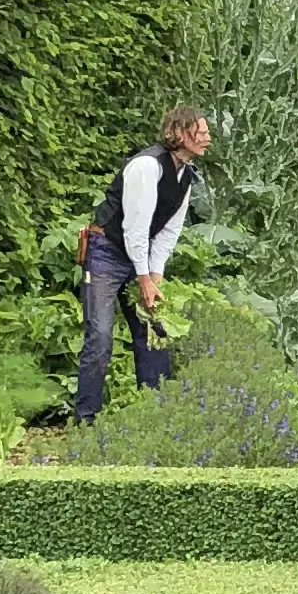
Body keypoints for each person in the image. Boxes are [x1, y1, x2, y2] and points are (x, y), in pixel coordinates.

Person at [73, 105, 210, 421]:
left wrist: (155, 276)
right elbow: (135, 227)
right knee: (101, 337)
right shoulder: (147, 167)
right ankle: (86, 421)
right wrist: (144, 279)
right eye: (201, 132)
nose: (207, 138)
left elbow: (168, 231)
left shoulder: (186, 175)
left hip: (140, 256)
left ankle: (156, 415)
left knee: (154, 331)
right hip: (106, 252)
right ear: (179, 133)